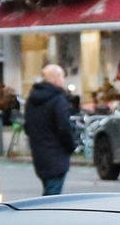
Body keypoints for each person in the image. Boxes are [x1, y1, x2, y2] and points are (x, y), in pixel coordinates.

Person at [23, 63, 79, 197]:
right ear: (57, 79)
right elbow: (64, 127)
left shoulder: (32, 99)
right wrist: (71, 146)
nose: (63, 81)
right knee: (52, 197)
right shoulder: (58, 99)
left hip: (39, 153)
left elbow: (27, 125)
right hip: (57, 154)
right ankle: (44, 217)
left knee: (49, 192)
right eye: (62, 77)